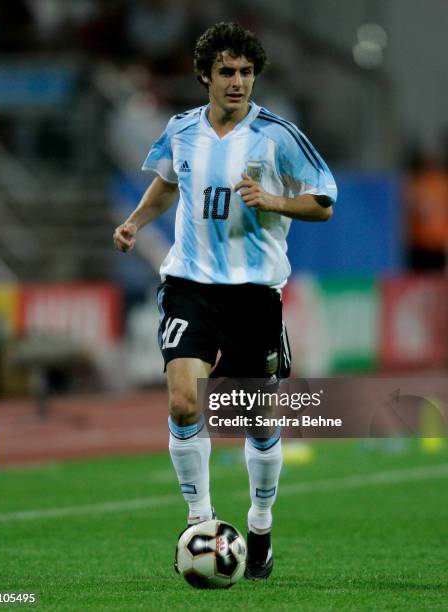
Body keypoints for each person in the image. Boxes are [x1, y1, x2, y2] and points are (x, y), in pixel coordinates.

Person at [113, 22, 337, 580]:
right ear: (205, 76)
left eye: (245, 73)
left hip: (254, 295)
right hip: (190, 286)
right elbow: (167, 182)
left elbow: (324, 202)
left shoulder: (279, 136)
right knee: (185, 403)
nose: (237, 82)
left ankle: (259, 525)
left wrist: (275, 200)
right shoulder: (181, 130)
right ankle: (201, 520)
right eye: (226, 72)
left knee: (256, 423)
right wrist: (136, 222)